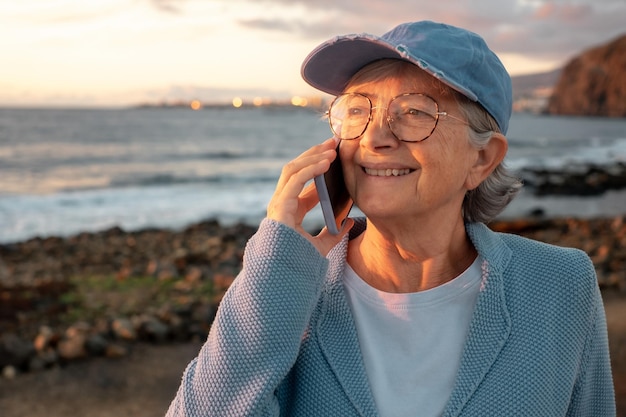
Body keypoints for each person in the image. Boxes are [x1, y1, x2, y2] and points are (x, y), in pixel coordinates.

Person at [166, 21, 615, 416]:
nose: (375, 137)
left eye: (414, 113)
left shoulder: (560, 283)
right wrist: (277, 263)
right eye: (358, 111)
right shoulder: (287, 294)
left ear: (482, 158)